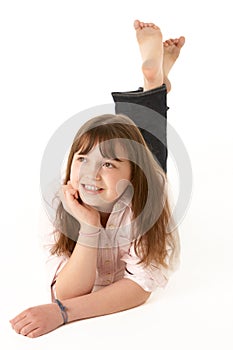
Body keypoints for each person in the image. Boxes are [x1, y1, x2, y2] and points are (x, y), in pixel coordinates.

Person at [10, 19, 185, 338]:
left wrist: (63, 315)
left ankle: (156, 85)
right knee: (132, 133)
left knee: (149, 146)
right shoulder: (57, 198)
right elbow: (66, 291)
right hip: (127, 174)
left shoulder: (148, 195)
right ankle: (156, 85)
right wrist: (89, 227)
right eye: (82, 158)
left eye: (107, 164)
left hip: (145, 179)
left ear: (133, 176)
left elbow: (140, 287)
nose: (90, 173)